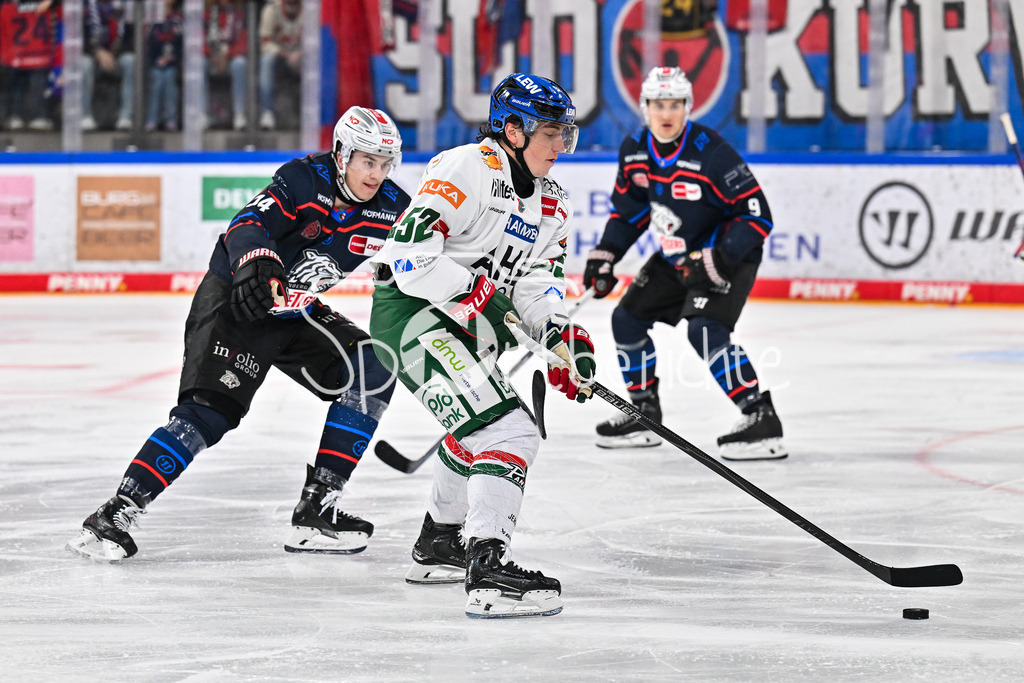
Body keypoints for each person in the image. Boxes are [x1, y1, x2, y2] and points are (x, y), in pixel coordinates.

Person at [67, 106, 410, 562]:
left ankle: (317, 509)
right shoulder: (305, 180)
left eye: (386, 164)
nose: (377, 174)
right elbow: (248, 224)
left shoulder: (393, 210)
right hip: (238, 301)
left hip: (297, 312)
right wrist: (259, 260)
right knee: (209, 414)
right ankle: (117, 511)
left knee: (373, 370)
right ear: (342, 152)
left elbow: (420, 264)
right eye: (368, 161)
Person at [369, 73, 594, 619]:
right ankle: (487, 567)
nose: (561, 145)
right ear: (510, 129)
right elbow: (410, 258)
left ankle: (440, 543)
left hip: (467, 327)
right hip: (413, 316)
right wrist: (479, 295)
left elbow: (536, 288)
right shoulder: (466, 167)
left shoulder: (553, 205)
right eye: (550, 132)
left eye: (566, 133)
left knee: (479, 427)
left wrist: (560, 337)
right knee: (509, 428)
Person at [583, 66, 787, 461]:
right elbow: (629, 213)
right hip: (678, 254)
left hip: (727, 255)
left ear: (688, 107)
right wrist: (605, 255)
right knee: (626, 319)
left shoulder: (710, 151)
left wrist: (719, 258)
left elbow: (757, 215)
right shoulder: (635, 150)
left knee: (705, 330)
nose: (666, 113)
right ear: (645, 107)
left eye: (675, 104)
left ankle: (760, 415)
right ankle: (643, 412)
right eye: (659, 104)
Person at [81, 0, 136, 132]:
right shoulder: (86, 6)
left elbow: (132, 41)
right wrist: (97, 52)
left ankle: (126, 116)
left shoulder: (125, 6)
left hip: (116, 59)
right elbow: (79, 39)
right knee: (83, 64)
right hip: (93, 60)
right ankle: (85, 116)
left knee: (130, 61)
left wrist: (114, 53)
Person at [257, 0, 301, 130]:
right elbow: (265, 43)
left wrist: (301, 54)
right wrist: (287, 55)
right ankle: (267, 112)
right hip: (279, 59)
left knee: (316, 62)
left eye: (295, 3)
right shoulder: (272, 9)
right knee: (265, 61)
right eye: (289, 3)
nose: (292, 6)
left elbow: (318, 40)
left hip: (303, 58)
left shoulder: (309, 10)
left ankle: (312, 114)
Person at [144, 0, 183, 132]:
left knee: (169, 77)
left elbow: (181, 44)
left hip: (173, 64)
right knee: (157, 78)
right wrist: (157, 60)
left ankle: (171, 120)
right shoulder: (152, 20)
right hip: (155, 63)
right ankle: (151, 119)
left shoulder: (179, 20)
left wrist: (172, 59)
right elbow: (147, 43)